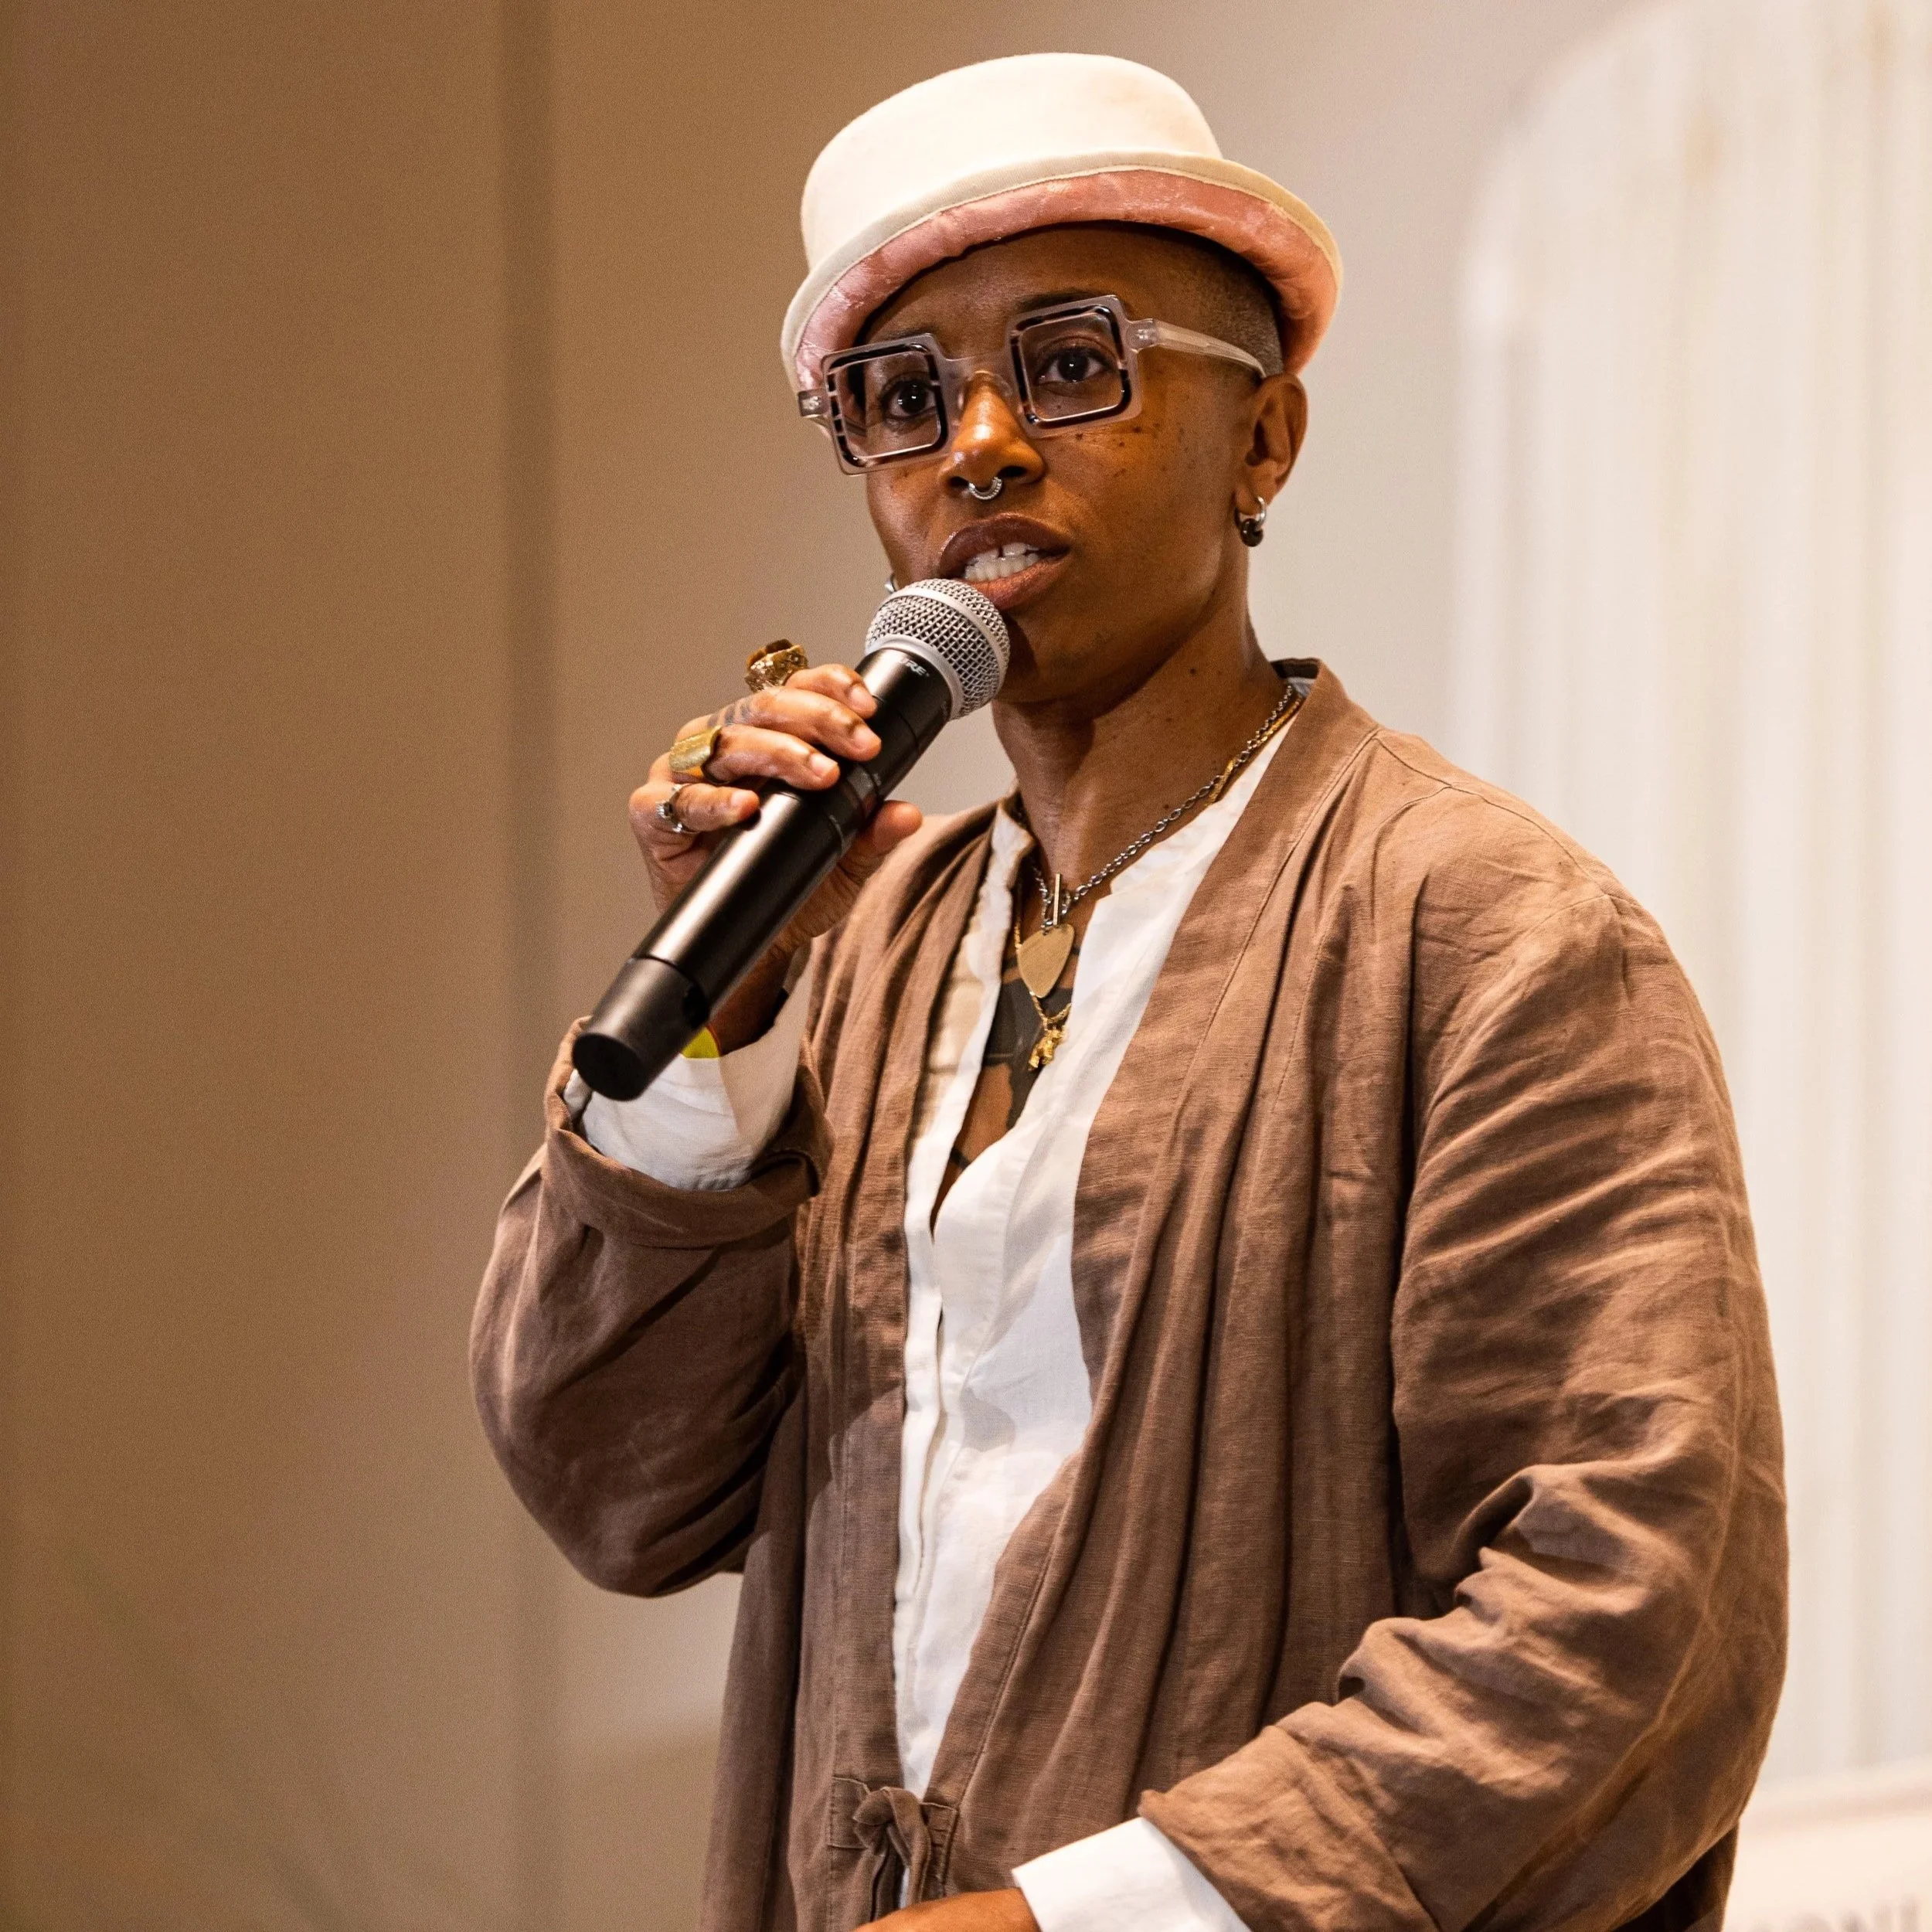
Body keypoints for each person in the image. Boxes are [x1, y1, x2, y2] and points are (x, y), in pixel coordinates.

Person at [473, 53, 1786, 1932]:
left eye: (1071, 360)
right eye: (899, 397)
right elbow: (607, 1482)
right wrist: (730, 1017)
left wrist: (1071, 1918)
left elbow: (1622, 1603)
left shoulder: (1486, 927)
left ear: (1262, 440)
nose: (978, 445)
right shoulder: (858, 940)